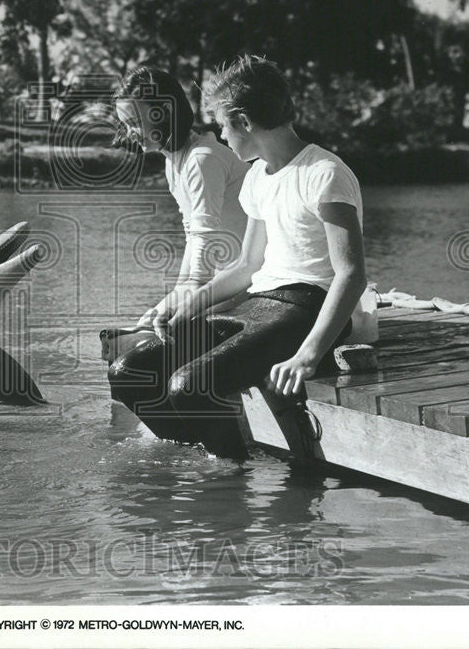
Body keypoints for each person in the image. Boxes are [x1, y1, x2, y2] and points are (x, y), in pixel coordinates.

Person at [105, 55, 367, 459]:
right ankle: (209, 453)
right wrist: (188, 305)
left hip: (305, 307)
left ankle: (229, 472)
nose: (221, 135)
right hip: (259, 304)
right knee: (129, 372)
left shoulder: (324, 173)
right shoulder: (259, 178)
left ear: (244, 122)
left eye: (225, 125)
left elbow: (350, 275)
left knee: (189, 385)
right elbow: (246, 267)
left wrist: (308, 355)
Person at [112, 66, 249, 330]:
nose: (129, 132)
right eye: (125, 124)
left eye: (135, 123)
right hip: (221, 282)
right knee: (145, 327)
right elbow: (192, 235)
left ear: (166, 111)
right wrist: (177, 293)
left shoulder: (202, 159)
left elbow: (205, 237)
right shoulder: (174, 162)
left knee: (150, 329)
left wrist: (181, 301)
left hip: (246, 282)